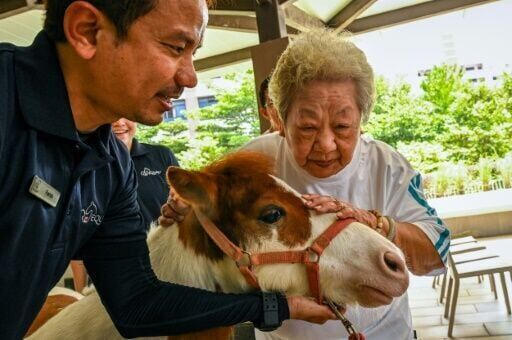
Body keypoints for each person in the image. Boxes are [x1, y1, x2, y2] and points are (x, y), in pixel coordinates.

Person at [0, 1, 338, 339]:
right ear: (87, 30)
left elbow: (137, 302)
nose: (190, 78)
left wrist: (281, 307)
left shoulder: (112, 167)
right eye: (176, 48)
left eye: (193, 53)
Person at [161, 29, 450, 339]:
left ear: (362, 122)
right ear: (279, 121)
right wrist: (183, 210)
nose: (326, 144)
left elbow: (437, 252)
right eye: (307, 127)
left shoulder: (386, 166)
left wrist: (376, 223)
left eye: (342, 126)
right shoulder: (254, 163)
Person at [71, 118, 179, 292]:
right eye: (112, 116)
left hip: (166, 268)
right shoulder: (85, 163)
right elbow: (79, 235)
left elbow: (182, 207)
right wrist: (79, 291)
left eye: (125, 115)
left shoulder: (161, 155)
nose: (119, 122)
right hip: (111, 280)